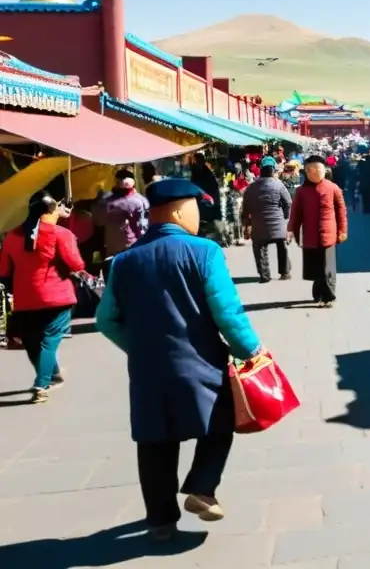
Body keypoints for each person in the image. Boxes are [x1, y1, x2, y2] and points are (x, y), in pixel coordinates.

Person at [95, 179, 263, 541]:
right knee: (219, 426)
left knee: (155, 442)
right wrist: (250, 350)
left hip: (146, 369)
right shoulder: (204, 252)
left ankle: (160, 521)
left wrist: (137, 346)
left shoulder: (123, 262)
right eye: (194, 207)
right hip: (201, 362)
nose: (198, 214)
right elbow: (228, 312)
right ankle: (202, 488)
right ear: (175, 211)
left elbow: (105, 319)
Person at [0, 191, 86, 403]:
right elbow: (77, 264)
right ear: (52, 209)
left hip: (25, 299)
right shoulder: (60, 234)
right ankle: (41, 384)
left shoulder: (12, 236)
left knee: (32, 342)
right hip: (57, 297)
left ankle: (52, 374)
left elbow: (3, 270)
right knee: (48, 342)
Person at [288, 155, 347, 307]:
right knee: (315, 268)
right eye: (310, 170)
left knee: (328, 268)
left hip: (329, 234)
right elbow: (296, 213)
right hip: (310, 235)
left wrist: (342, 230)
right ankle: (318, 294)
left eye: (317, 169)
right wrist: (291, 230)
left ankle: (328, 296)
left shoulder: (333, 188)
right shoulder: (301, 191)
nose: (314, 172)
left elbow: (341, 212)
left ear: (324, 170)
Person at [241, 157, 293, 283]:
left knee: (259, 248)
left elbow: (245, 208)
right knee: (282, 246)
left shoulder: (251, 187)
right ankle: (284, 272)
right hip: (278, 225)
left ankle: (264, 275)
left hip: (259, 226)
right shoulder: (279, 185)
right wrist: (285, 217)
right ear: (273, 171)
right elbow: (288, 202)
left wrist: (246, 225)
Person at [93, 168, 149, 272]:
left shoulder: (107, 202)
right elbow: (143, 228)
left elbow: (98, 221)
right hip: (129, 248)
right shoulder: (141, 201)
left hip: (122, 248)